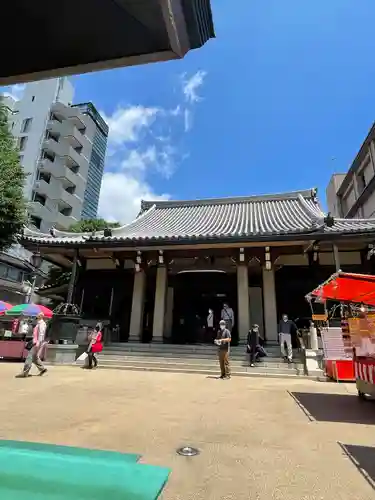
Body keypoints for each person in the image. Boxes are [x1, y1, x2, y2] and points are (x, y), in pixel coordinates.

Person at [16, 312, 47, 378]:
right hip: (35, 341)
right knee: (35, 357)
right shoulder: (38, 323)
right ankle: (42, 369)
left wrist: (38, 343)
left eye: (38, 315)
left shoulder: (42, 324)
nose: (36, 316)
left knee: (30, 356)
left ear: (41, 316)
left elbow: (41, 334)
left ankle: (25, 372)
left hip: (37, 343)